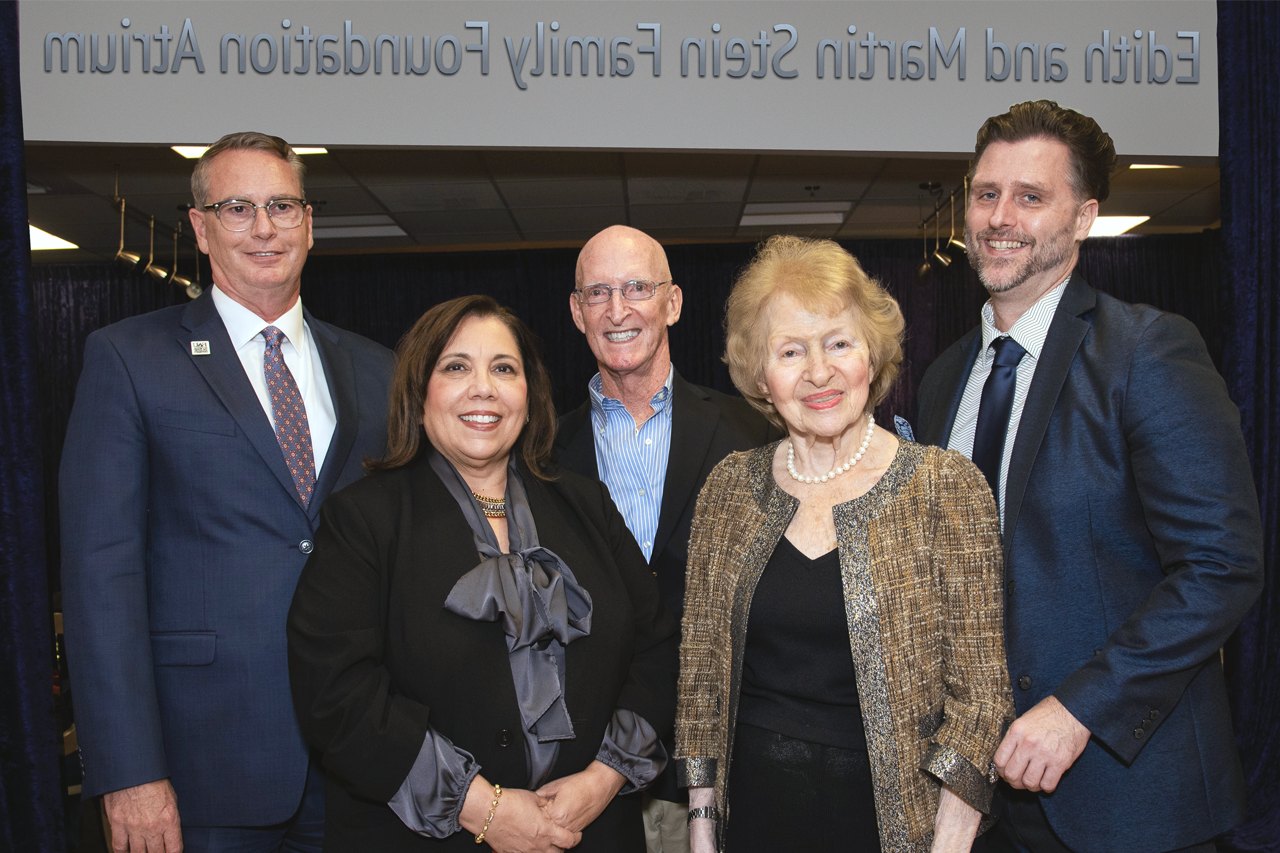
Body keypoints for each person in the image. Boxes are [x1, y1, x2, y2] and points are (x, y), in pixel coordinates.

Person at [916, 100, 1264, 853]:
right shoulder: (945, 379)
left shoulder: (1148, 351)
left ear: (1083, 217)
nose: (999, 217)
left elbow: (1222, 565)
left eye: (1031, 197)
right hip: (985, 802)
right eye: (985, 194)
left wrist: (1077, 709)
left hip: (1127, 796)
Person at [59, 132, 394, 852]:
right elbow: (100, 579)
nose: (265, 227)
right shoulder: (128, 359)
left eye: (282, 205)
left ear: (310, 221)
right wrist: (129, 770)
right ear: (199, 226)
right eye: (238, 207)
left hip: (359, 766)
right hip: (199, 772)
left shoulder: (377, 370)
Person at [287, 295, 678, 852]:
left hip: (591, 831)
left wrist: (603, 779)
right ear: (419, 394)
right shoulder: (363, 519)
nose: (483, 388)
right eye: (455, 367)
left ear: (529, 393)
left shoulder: (588, 505)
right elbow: (337, 695)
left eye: (503, 368)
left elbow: (658, 650)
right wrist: (483, 809)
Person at [676, 235, 1013, 853]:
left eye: (838, 343)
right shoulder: (726, 491)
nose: (819, 372)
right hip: (755, 820)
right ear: (760, 372)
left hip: (901, 830)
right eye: (790, 351)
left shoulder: (945, 488)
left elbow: (981, 697)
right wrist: (702, 834)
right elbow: (700, 682)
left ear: (872, 355)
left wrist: (947, 846)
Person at [554, 225, 780, 853]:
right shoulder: (541, 450)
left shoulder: (752, 432)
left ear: (673, 302)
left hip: (729, 749)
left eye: (636, 288)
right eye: (598, 292)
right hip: (590, 765)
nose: (617, 310)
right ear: (577, 312)